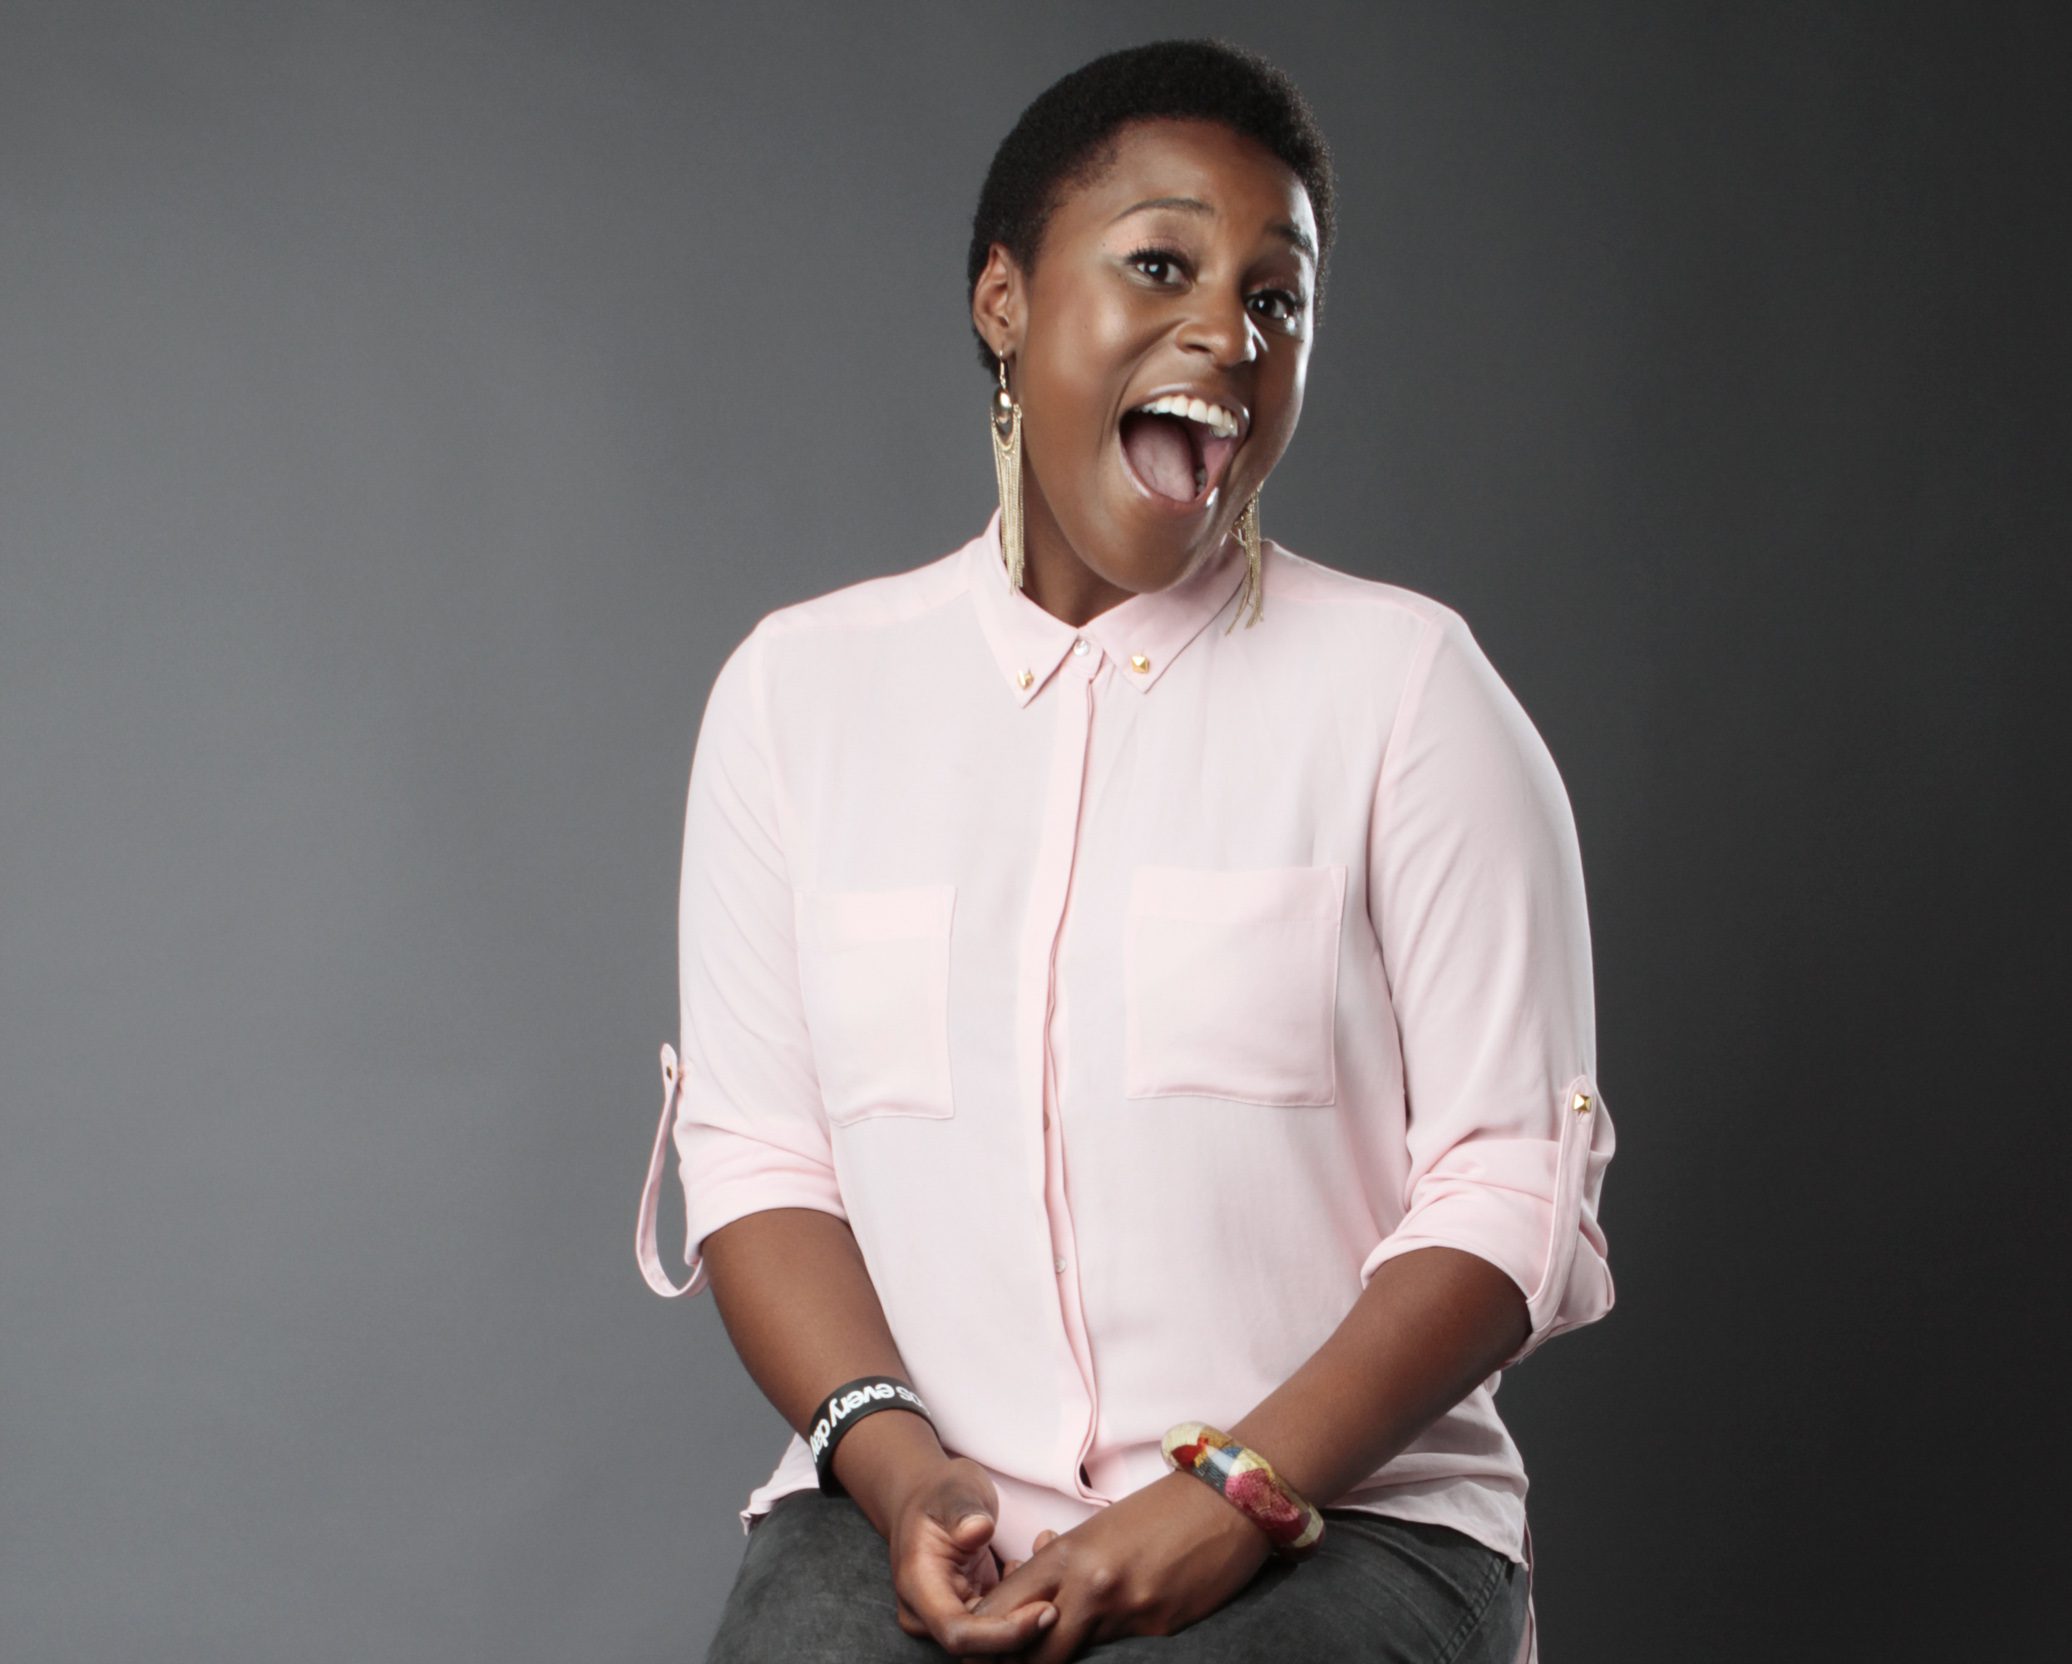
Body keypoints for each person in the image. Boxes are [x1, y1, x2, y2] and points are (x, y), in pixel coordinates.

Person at [635, 37, 1616, 1664]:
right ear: (1004, 301)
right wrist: (898, 1472)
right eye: (1161, 264)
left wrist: (1236, 1489)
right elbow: (765, 1165)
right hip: (919, 1484)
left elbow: (1514, 1182)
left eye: (1277, 298)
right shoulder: (794, 699)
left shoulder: (1412, 694)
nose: (1229, 334)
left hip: (1352, 1511)